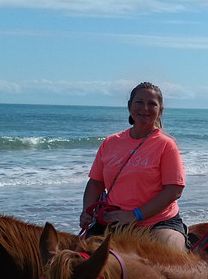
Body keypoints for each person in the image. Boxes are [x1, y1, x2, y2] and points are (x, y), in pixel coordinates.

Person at [79, 82, 187, 250]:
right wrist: (87, 211)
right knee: (77, 260)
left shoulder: (166, 144)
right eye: (139, 102)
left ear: (160, 110)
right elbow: (95, 183)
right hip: (115, 219)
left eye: (152, 104)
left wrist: (135, 215)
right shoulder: (110, 142)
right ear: (129, 106)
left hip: (158, 222)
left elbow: (174, 190)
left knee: (170, 256)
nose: (145, 108)